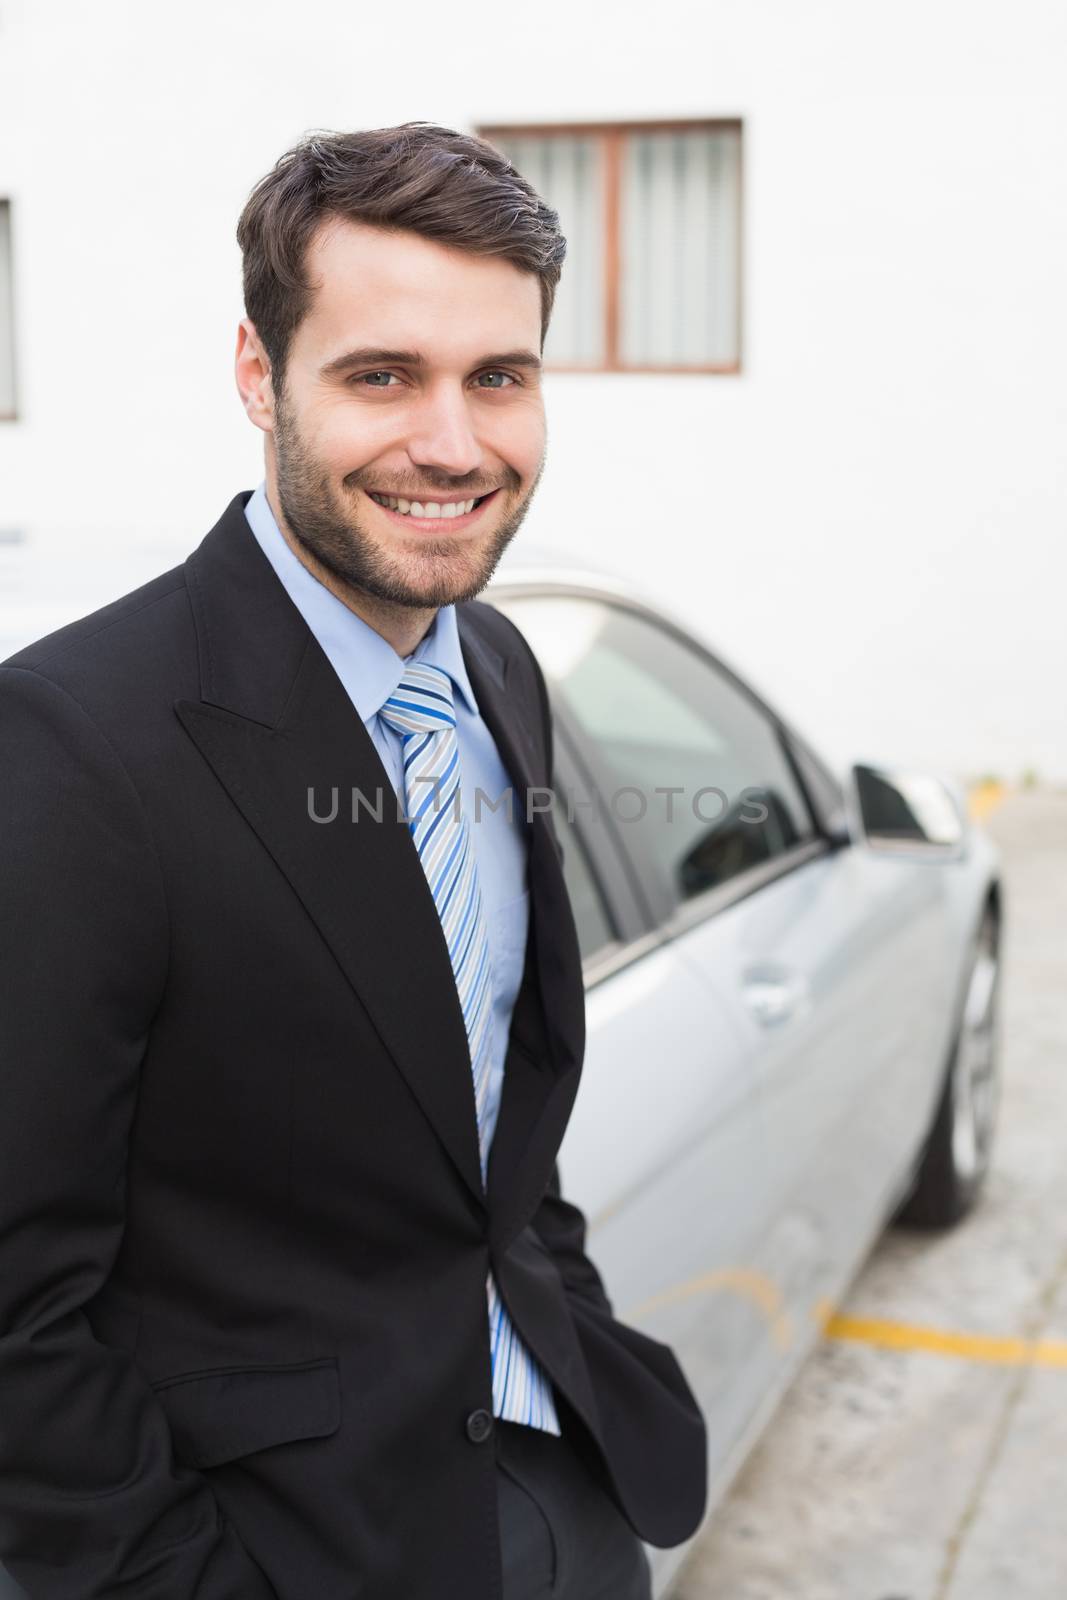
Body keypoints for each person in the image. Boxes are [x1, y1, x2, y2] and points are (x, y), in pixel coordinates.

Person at [0, 123, 707, 1599]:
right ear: (260, 377)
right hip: (284, 1544)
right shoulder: (75, 743)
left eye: (497, 378)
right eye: (381, 375)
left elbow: (490, 1116)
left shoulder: (499, 666)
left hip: (559, 1481)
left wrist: (564, 1333)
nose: (452, 444)